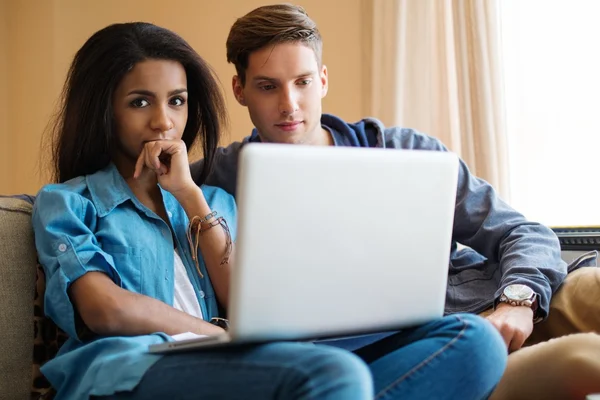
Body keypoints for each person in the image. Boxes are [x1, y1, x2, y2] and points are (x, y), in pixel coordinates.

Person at [32, 21, 507, 400]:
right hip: (131, 369)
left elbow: (244, 301)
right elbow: (105, 309)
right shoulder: (69, 202)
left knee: (476, 343)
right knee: (331, 372)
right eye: (140, 103)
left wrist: (191, 197)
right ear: (103, 110)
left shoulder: (214, 199)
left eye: (176, 101)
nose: (163, 121)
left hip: (238, 367)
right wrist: (216, 336)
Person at [189, 3, 600, 399]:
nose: (289, 104)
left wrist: (518, 302)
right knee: (573, 358)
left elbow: (524, 233)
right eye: (267, 86)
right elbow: (138, 177)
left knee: (593, 289)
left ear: (324, 79)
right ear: (240, 90)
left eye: (303, 81)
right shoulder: (218, 178)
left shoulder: (406, 152)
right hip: (403, 354)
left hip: (496, 307)